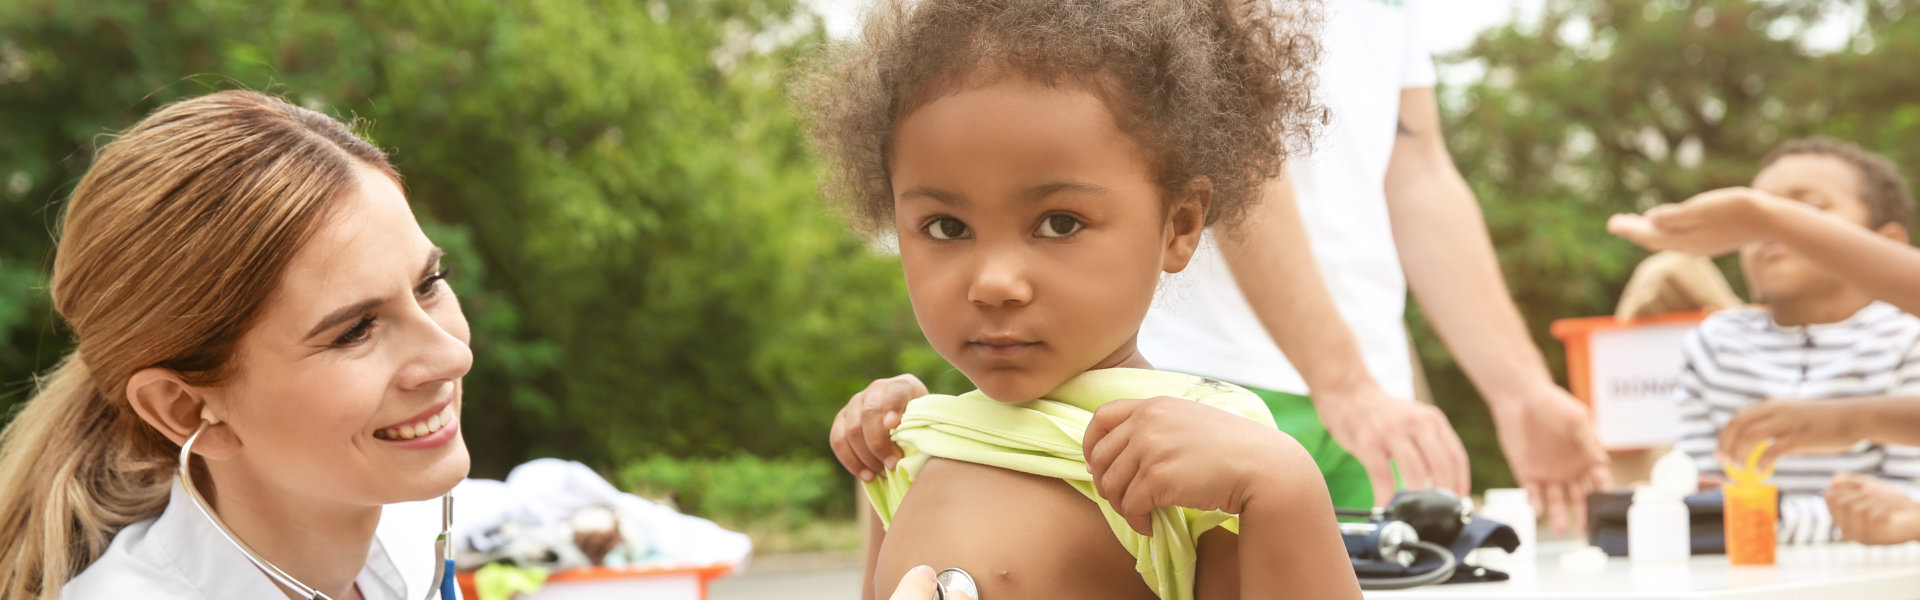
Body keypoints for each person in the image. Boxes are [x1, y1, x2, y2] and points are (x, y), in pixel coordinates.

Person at [799, 0, 1359, 598]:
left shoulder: (1205, 455)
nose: (993, 282)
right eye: (945, 227)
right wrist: (901, 439)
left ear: (1181, 224)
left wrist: (1283, 484)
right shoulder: (931, 439)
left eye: (1060, 223)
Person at [1132, 0, 1608, 532]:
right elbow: (1233, 140)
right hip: (1210, 382)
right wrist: (1344, 384)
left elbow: (1416, 170)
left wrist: (1519, 391)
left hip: (1376, 412)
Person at [0, 90, 472, 599]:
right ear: (185, 409)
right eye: (355, 330)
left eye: (430, 283)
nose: (453, 356)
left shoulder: (403, 527)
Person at [1664, 138, 1920, 544]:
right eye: (1754, 222)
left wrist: (1759, 519)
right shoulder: (1714, 342)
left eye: (1808, 211)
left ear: (1885, 244)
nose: (1770, 231)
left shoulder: (1907, 338)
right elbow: (1697, 491)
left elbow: (1905, 504)